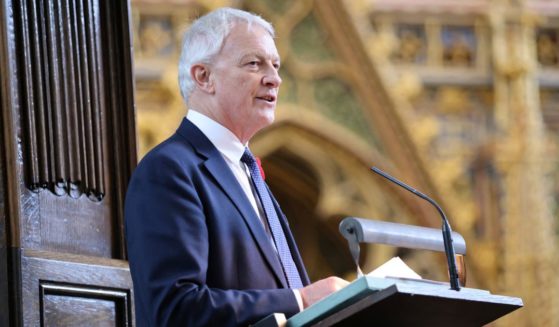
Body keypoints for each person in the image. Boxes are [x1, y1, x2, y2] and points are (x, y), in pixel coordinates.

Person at [125, 7, 348, 327]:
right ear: (204, 77)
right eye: (254, 63)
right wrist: (300, 300)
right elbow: (174, 308)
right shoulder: (170, 170)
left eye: (276, 65)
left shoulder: (249, 173)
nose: (274, 78)